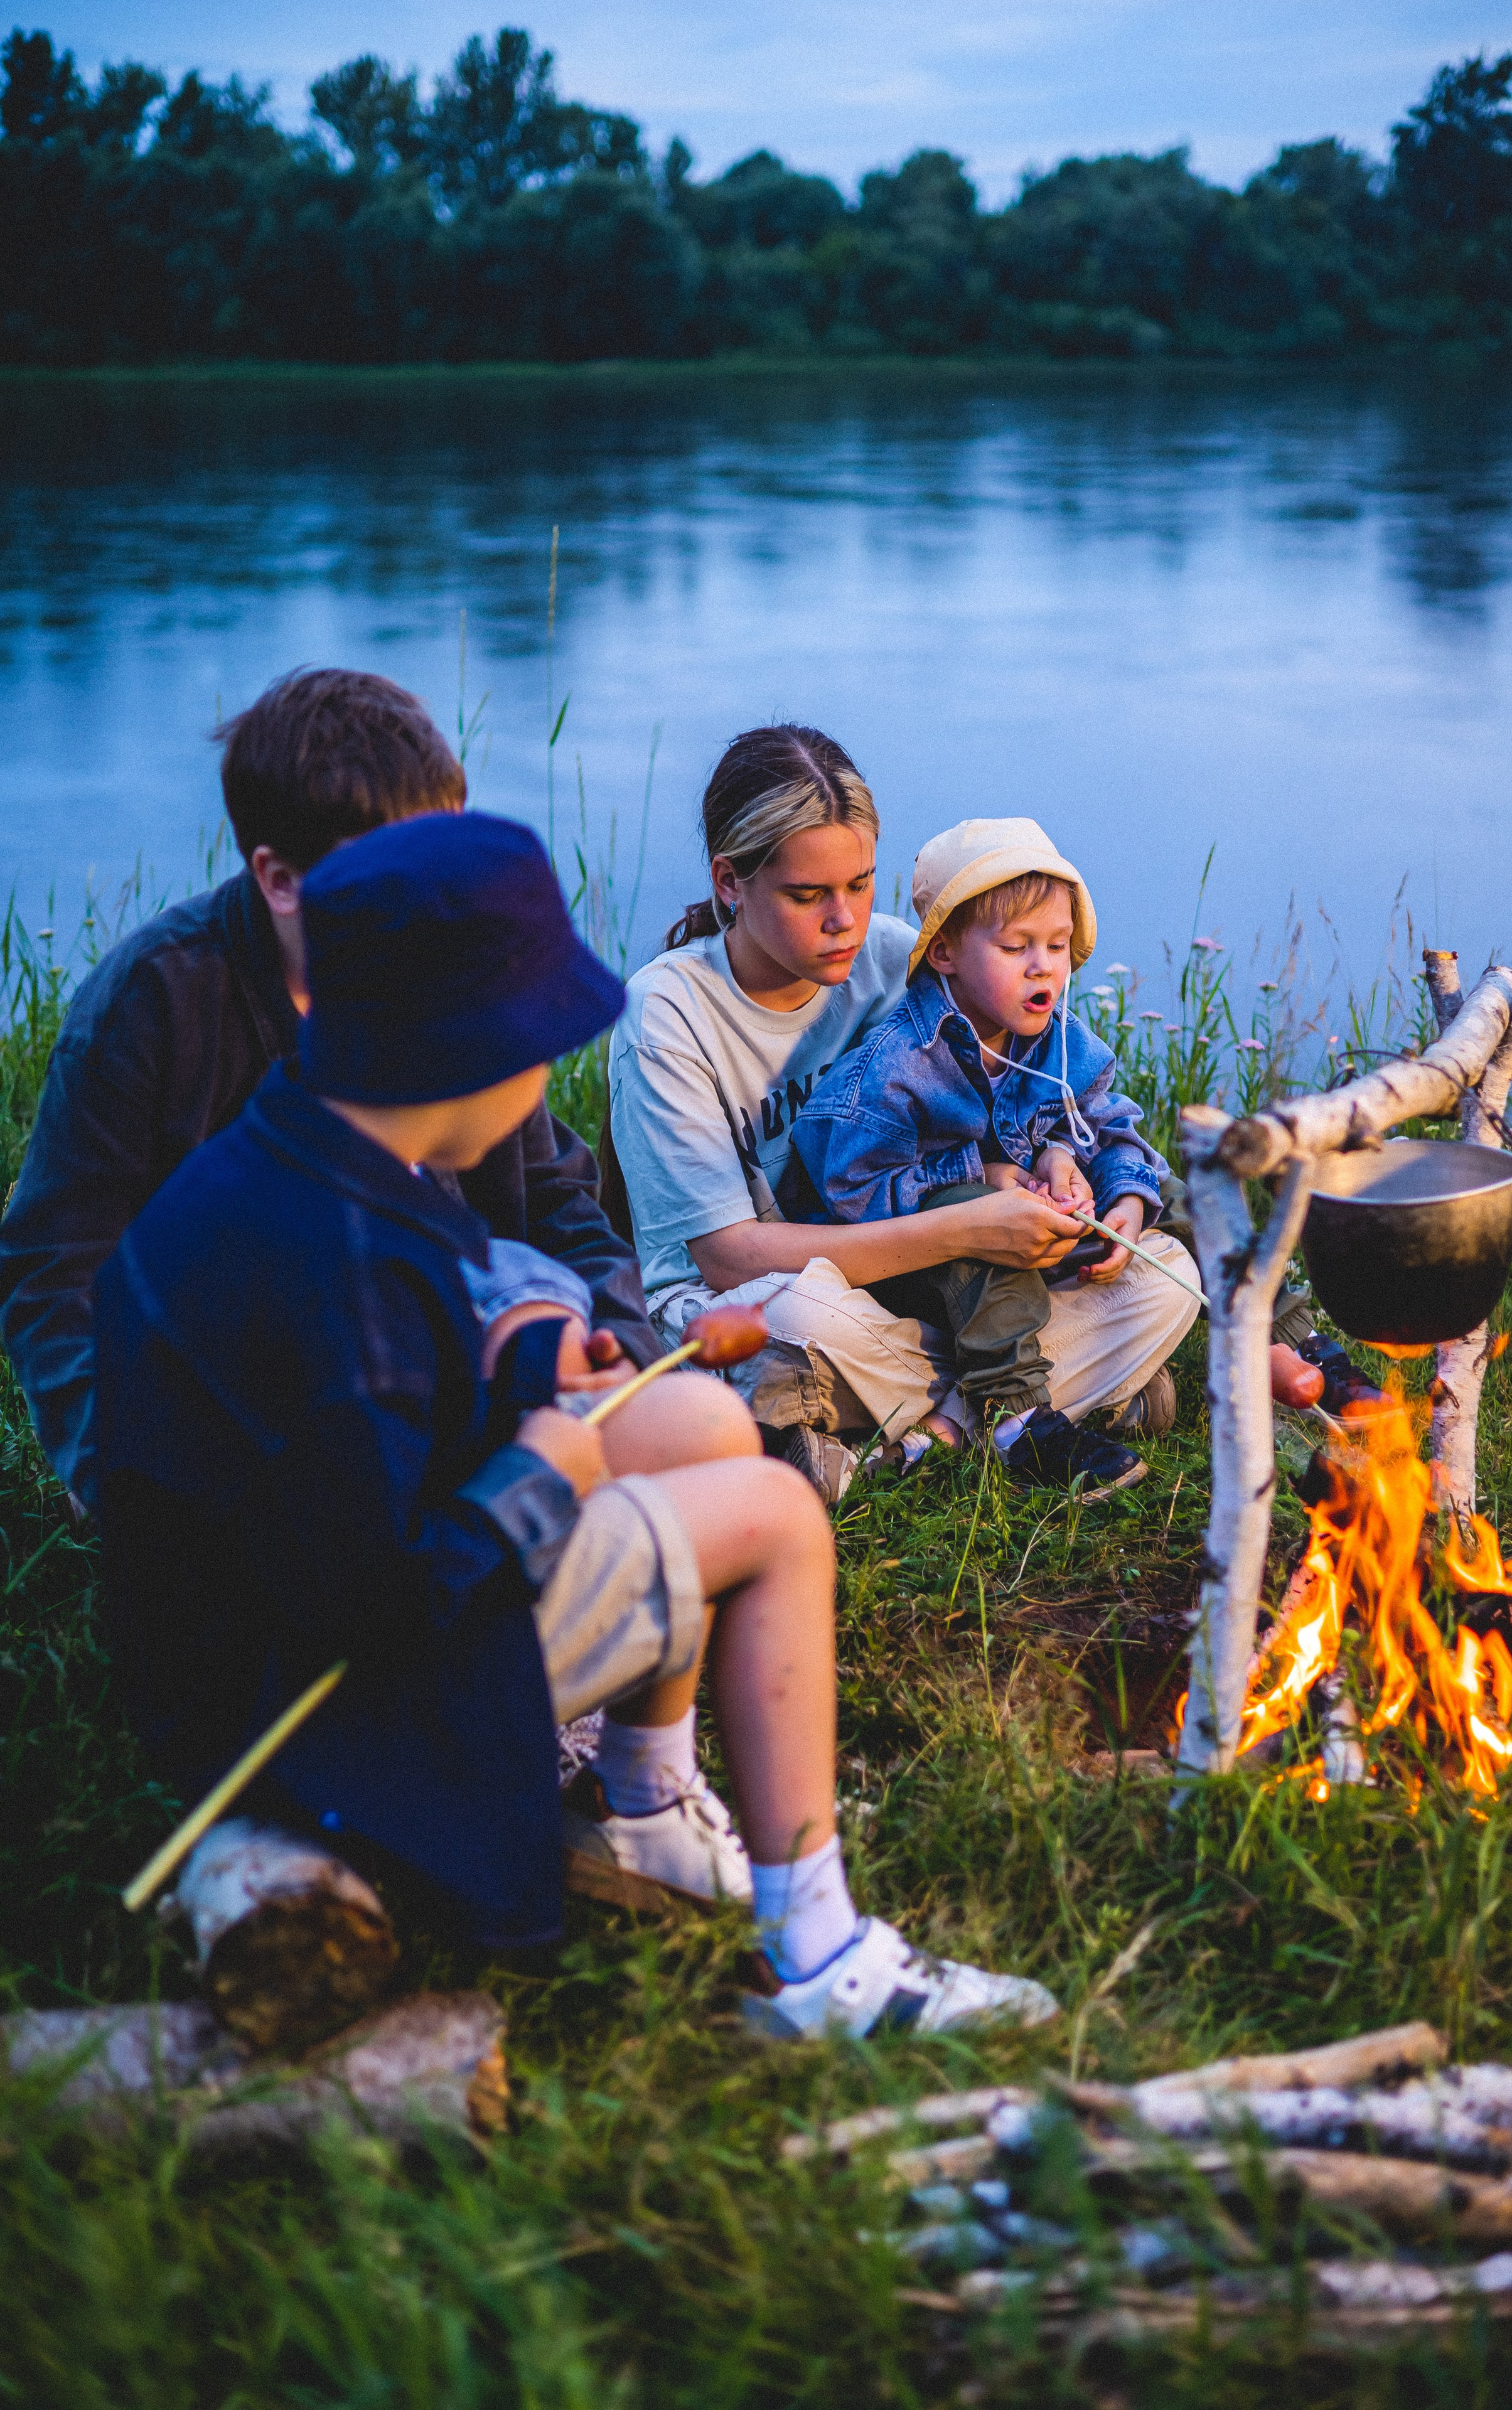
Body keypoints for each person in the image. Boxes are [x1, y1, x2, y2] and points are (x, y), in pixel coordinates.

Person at [95, 812, 1059, 2047]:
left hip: (305, 1617)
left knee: (703, 1422)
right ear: (464, 1050)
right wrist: (534, 1479)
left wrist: (520, 1364)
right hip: (300, 1714)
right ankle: (824, 1962)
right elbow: (375, 1595)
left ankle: (646, 1806)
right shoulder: (343, 1268)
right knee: (774, 1514)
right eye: (543, 1042)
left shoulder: (309, 1154)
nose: (552, 1075)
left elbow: (377, 1414)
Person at [0, 668, 661, 1518]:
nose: (438, 898)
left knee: (685, 1429)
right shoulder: (155, 1003)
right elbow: (57, 1271)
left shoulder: (451, 968)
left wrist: (624, 1352)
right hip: (277, 1401)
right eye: (399, 870)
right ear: (278, 878)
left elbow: (558, 1198)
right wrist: (122, 1475)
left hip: (446, 1352)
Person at [606, 726, 1200, 1502]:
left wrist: (1050, 1176)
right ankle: (1029, 1408)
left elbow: (1004, 1115)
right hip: (751, 1301)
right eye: (806, 895)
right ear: (730, 882)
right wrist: (967, 1227)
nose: (843, 920)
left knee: (1168, 1277)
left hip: (917, 1287)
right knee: (806, 1318)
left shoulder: (894, 961)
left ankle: (925, 1429)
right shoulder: (667, 1016)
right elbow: (727, 1258)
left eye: (859, 884)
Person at [788, 818, 1188, 1496]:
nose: (1044, 967)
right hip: (905, 1267)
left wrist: (1092, 1179)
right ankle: (1017, 1418)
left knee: (1166, 1187)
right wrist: (985, 1179)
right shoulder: (898, 1065)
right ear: (944, 953)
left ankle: (1284, 1334)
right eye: (1015, 947)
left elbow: (1103, 1124)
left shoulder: (1062, 1041)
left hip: (1013, 1247)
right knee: (984, 1221)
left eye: (1058, 946)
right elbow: (854, 1196)